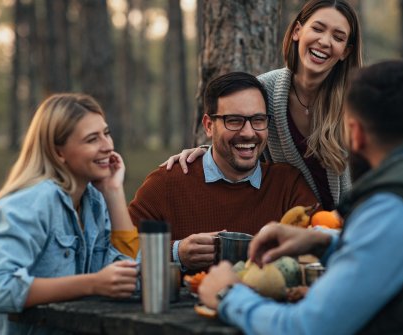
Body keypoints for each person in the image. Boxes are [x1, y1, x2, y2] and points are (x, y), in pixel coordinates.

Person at [198, 60, 403, 334]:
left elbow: (307, 328)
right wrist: (324, 244)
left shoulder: (397, 203)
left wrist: (228, 295)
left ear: (357, 133)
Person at [0, 94, 140, 334]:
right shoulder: (32, 202)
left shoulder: (94, 201)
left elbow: (129, 277)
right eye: (92, 139)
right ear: (58, 152)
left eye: (106, 133)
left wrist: (114, 193)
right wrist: (93, 284)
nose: (107, 146)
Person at [164, 0, 362, 211]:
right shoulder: (265, 89)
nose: (324, 41)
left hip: (355, 224)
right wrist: (207, 152)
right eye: (317, 29)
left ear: (345, 52)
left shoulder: (358, 101)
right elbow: (242, 134)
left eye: (338, 37)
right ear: (297, 31)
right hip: (292, 225)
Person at [129, 72, 318, 272]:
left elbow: (324, 240)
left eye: (258, 120)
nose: (248, 132)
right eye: (234, 120)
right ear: (209, 126)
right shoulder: (167, 183)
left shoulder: (287, 185)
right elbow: (119, 248)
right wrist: (175, 252)